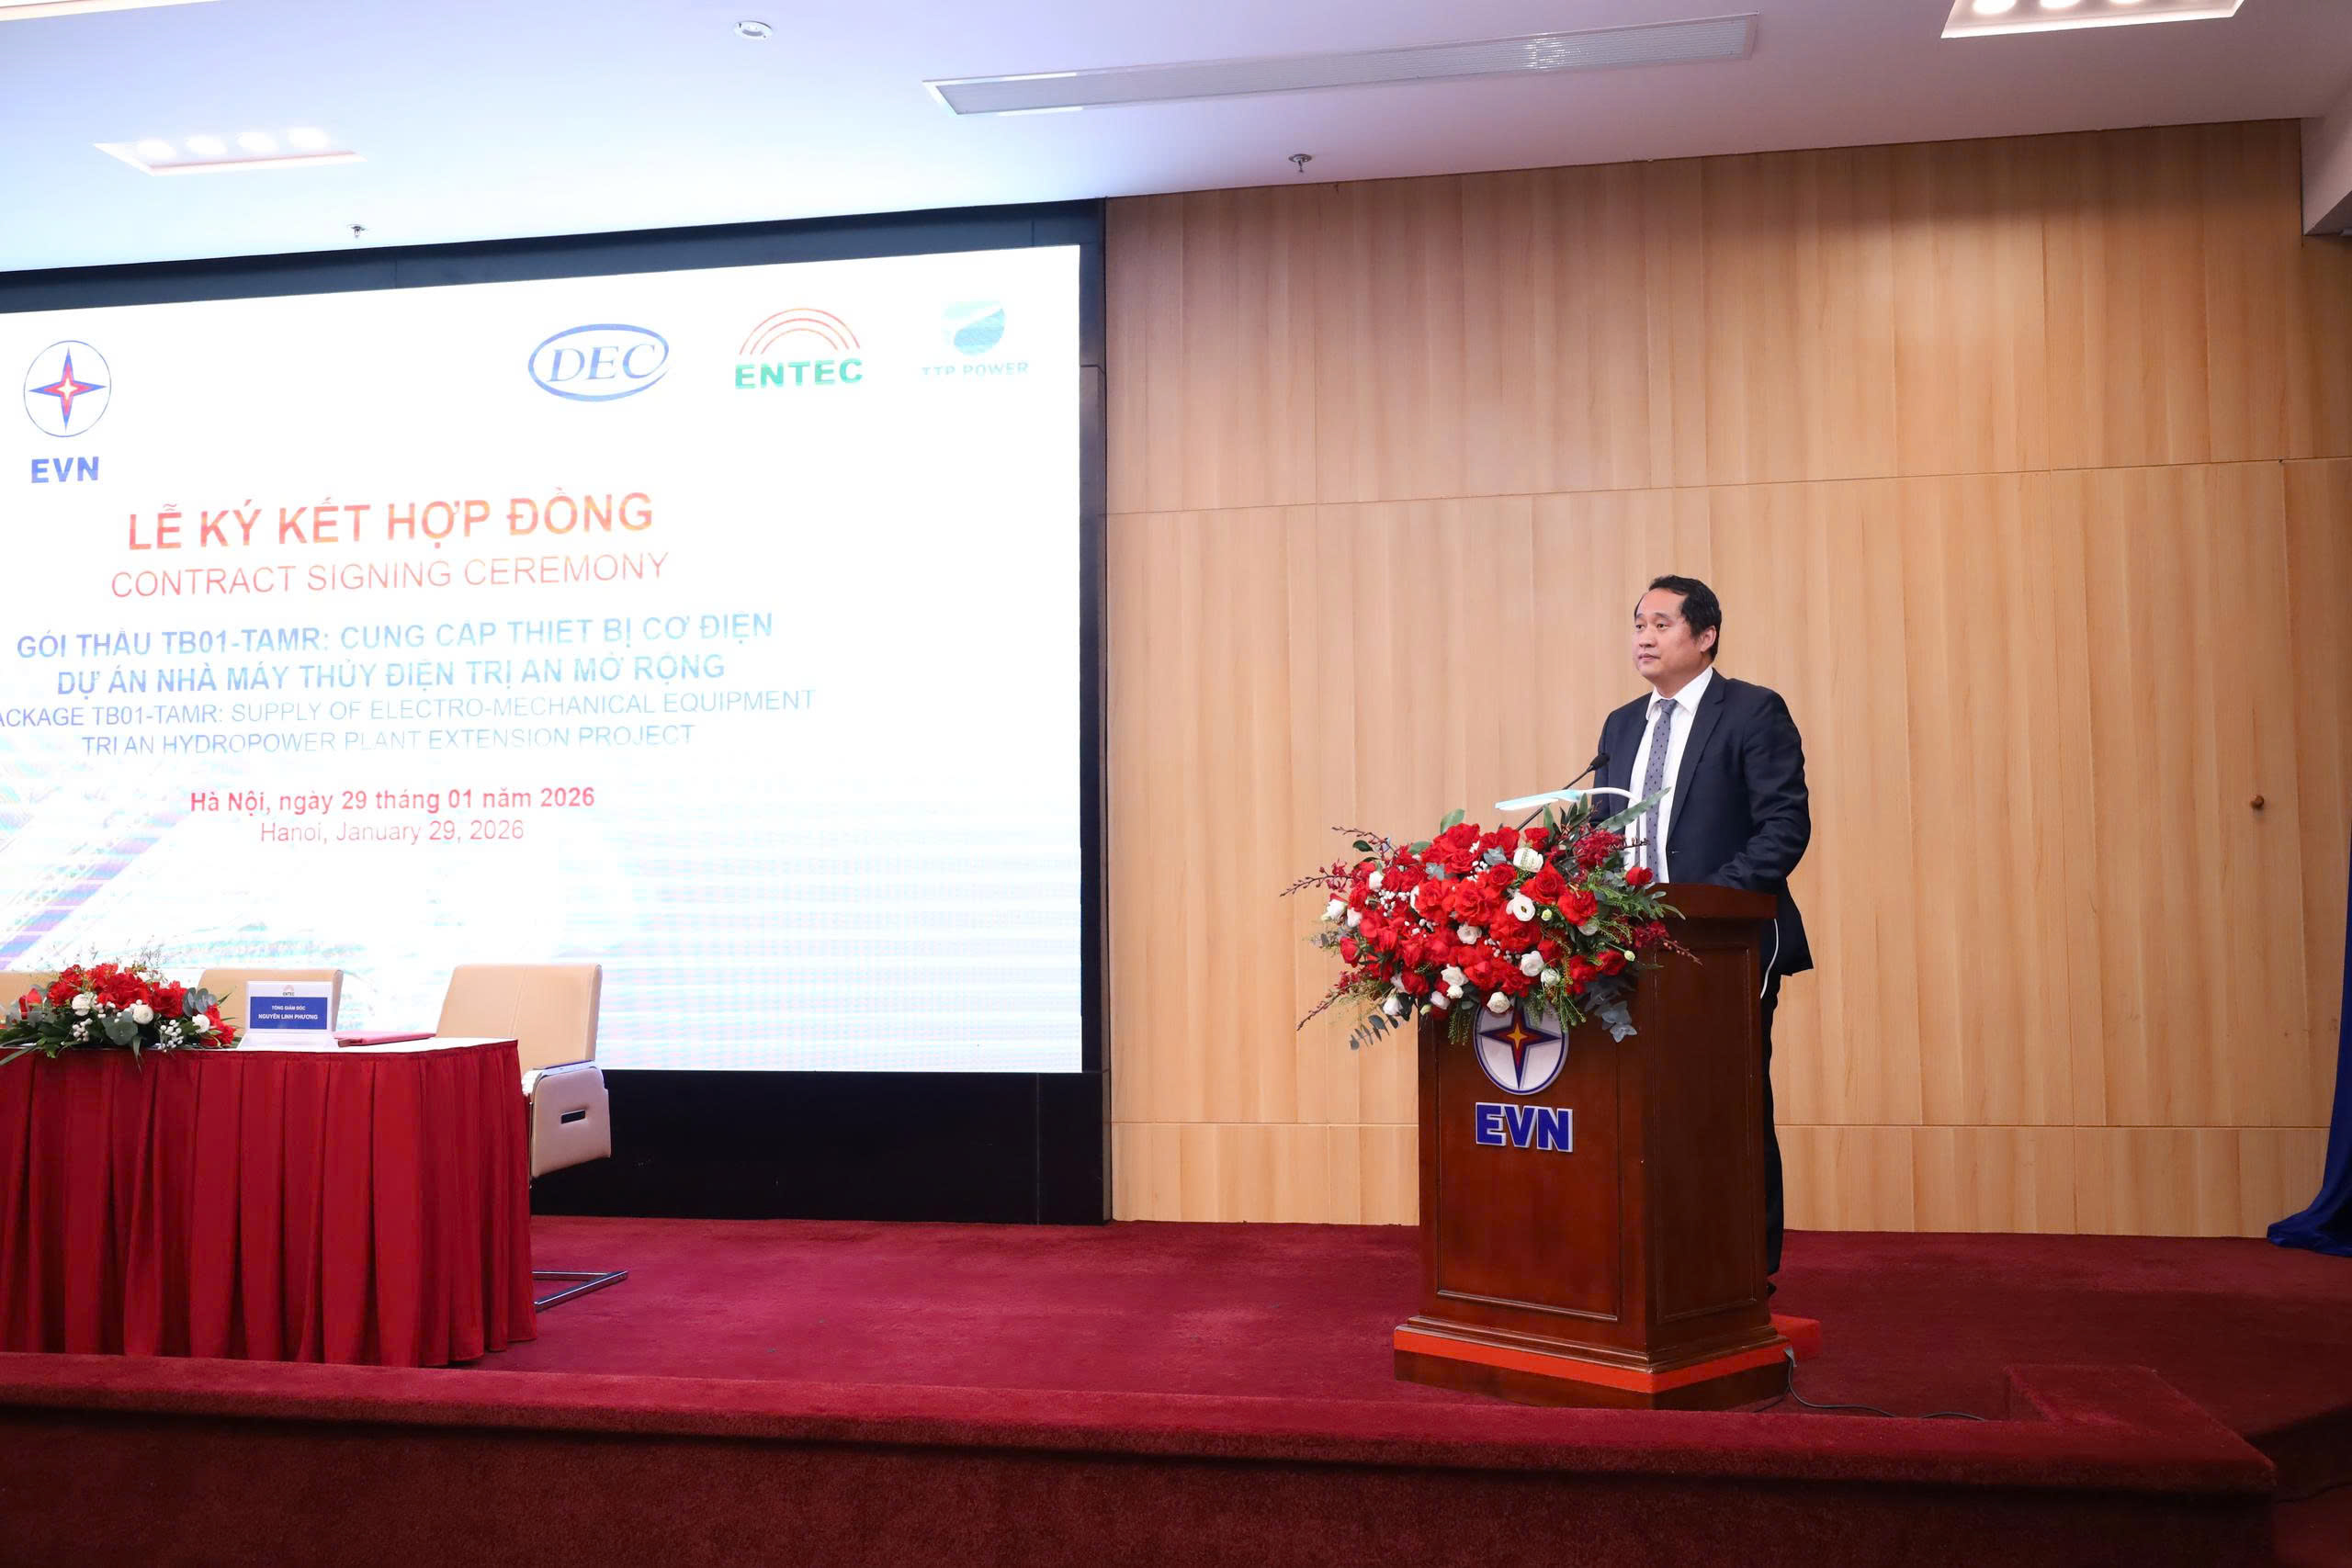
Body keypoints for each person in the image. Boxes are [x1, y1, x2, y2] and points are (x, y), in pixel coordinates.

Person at [1593, 575, 1811, 1279]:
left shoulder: (1751, 712)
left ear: (1705, 634)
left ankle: (1746, 1264)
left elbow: (1784, 828)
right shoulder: (1622, 725)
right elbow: (1600, 834)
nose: (1644, 637)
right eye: (1638, 624)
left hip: (1724, 944)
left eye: (1661, 624)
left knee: (1727, 1101)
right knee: (1643, 1104)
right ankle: (1659, 1256)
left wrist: (1701, 902)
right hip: (1630, 948)